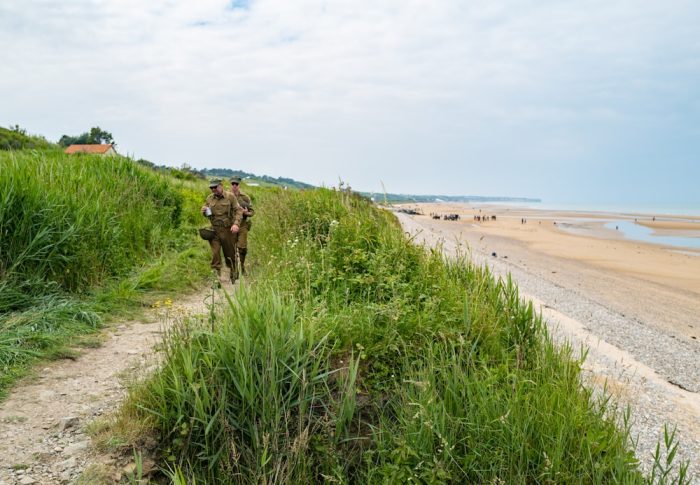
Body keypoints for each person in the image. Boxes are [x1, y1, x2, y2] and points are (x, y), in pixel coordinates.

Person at [201, 179, 242, 283]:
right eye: (211, 188)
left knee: (230, 254)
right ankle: (216, 279)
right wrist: (204, 211)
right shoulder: (209, 198)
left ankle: (233, 273)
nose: (213, 189)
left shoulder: (230, 197)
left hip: (228, 231)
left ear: (221, 186)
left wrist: (236, 224)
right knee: (215, 254)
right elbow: (207, 213)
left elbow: (238, 211)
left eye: (215, 187)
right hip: (214, 231)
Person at [229, 176, 254, 275]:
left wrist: (245, 213)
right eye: (233, 184)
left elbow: (252, 212)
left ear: (239, 185)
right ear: (230, 185)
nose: (234, 186)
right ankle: (233, 269)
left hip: (243, 225)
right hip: (230, 225)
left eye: (236, 184)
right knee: (231, 249)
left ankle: (242, 266)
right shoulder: (226, 196)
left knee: (242, 248)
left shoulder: (245, 197)